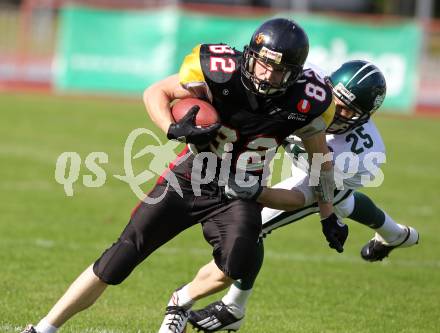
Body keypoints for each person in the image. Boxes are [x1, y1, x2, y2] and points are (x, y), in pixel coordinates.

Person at [21, 18, 344, 333]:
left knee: (238, 264)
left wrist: (328, 216)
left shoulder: (307, 100)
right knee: (121, 256)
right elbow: (155, 92)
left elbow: (321, 160)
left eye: (280, 69)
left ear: (295, 74)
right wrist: (173, 128)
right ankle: (43, 328)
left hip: (238, 190)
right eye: (263, 63)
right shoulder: (221, 71)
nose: (267, 74)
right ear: (250, 55)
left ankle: (182, 298)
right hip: (189, 177)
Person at [187, 60, 420, 332]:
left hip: (322, 176)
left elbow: (305, 195)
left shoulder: (358, 155)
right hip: (311, 162)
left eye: (348, 110)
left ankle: (233, 307)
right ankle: (397, 235)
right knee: (346, 204)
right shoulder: (307, 84)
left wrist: (256, 191)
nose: (337, 112)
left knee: (253, 224)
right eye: (336, 100)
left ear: (363, 117)